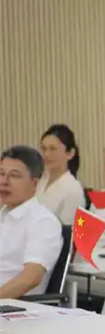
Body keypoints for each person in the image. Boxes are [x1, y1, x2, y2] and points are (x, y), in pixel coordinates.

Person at [0, 146, 63, 298]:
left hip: (12, 305)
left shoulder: (43, 222)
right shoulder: (3, 214)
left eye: (14, 176)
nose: (3, 181)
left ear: (35, 184)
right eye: (1, 174)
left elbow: (30, 278)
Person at [36, 124, 86, 224]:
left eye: (53, 149)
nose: (47, 154)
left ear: (70, 153)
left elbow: (68, 229)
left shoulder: (73, 189)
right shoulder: (39, 181)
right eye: (44, 149)